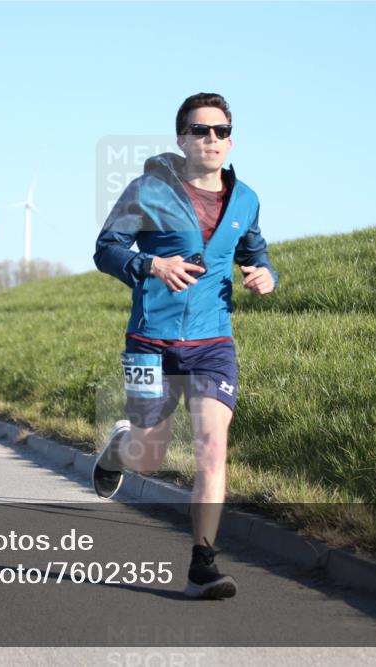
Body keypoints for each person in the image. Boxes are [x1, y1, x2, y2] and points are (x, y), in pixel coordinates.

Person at [92, 93, 278, 600]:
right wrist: (152, 266)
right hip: (149, 340)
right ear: (182, 139)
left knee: (212, 448)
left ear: (230, 139)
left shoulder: (246, 199)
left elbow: (255, 252)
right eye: (201, 130)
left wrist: (266, 276)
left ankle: (203, 563)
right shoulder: (146, 191)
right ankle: (118, 448)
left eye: (220, 130)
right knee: (148, 457)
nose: (211, 139)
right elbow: (105, 249)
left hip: (213, 341)